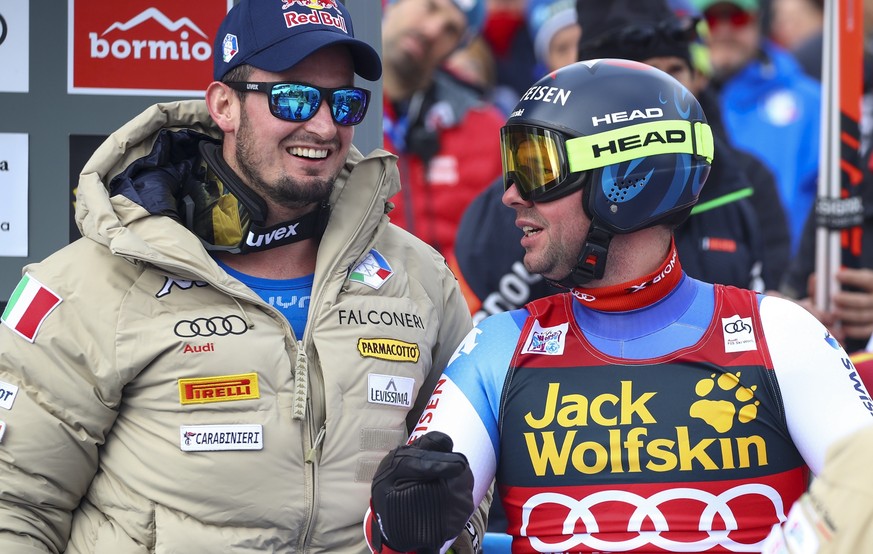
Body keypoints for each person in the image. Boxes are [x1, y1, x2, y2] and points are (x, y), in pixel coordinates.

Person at [0, 0, 487, 552]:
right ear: (224, 105)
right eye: (294, 98)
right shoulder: (92, 283)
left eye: (345, 102)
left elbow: (468, 483)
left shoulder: (419, 279)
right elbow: (14, 504)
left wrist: (442, 529)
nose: (324, 126)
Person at [363, 59, 873, 553]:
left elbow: (864, 497)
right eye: (512, 166)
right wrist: (409, 517)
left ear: (625, 176)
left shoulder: (780, 335)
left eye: (537, 167)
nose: (511, 195)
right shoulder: (497, 347)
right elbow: (406, 537)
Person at [451, 0, 790, 324]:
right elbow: (479, 338)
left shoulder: (741, 180)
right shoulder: (533, 197)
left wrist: (785, 316)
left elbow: (763, 301)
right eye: (650, 76)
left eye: (676, 71)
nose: (667, 93)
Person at [692, 0, 821, 254]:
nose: (725, 31)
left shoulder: (812, 102)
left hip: (786, 282)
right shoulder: (675, 101)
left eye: (738, 18)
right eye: (712, 19)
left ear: (759, 21)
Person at [381, 0, 506, 257]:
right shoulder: (326, 102)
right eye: (430, 7)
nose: (433, 30)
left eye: (451, 29)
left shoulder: (489, 130)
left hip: (451, 293)